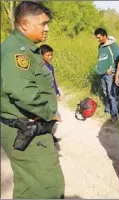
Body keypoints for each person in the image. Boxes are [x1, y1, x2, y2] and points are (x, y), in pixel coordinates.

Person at [0, 1, 64, 198]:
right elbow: (22, 90)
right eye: (42, 24)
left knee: (29, 186)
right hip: (26, 130)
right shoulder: (18, 51)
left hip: (24, 127)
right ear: (24, 24)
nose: (47, 28)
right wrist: (49, 112)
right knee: (49, 188)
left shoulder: (24, 48)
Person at [94, 28, 119, 123]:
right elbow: (100, 58)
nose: (98, 40)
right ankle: (107, 110)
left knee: (112, 94)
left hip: (110, 75)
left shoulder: (113, 46)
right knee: (105, 92)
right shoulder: (100, 46)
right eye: (97, 38)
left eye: (99, 38)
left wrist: (112, 69)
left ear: (104, 36)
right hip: (102, 74)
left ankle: (114, 115)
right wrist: (97, 68)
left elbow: (118, 58)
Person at [40, 44, 62, 143]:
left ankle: (49, 134)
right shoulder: (38, 67)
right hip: (43, 95)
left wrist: (57, 92)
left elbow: (54, 81)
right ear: (41, 55)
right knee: (45, 117)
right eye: (48, 55)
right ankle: (45, 136)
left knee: (53, 116)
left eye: (51, 55)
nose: (50, 57)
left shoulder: (50, 67)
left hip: (51, 95)